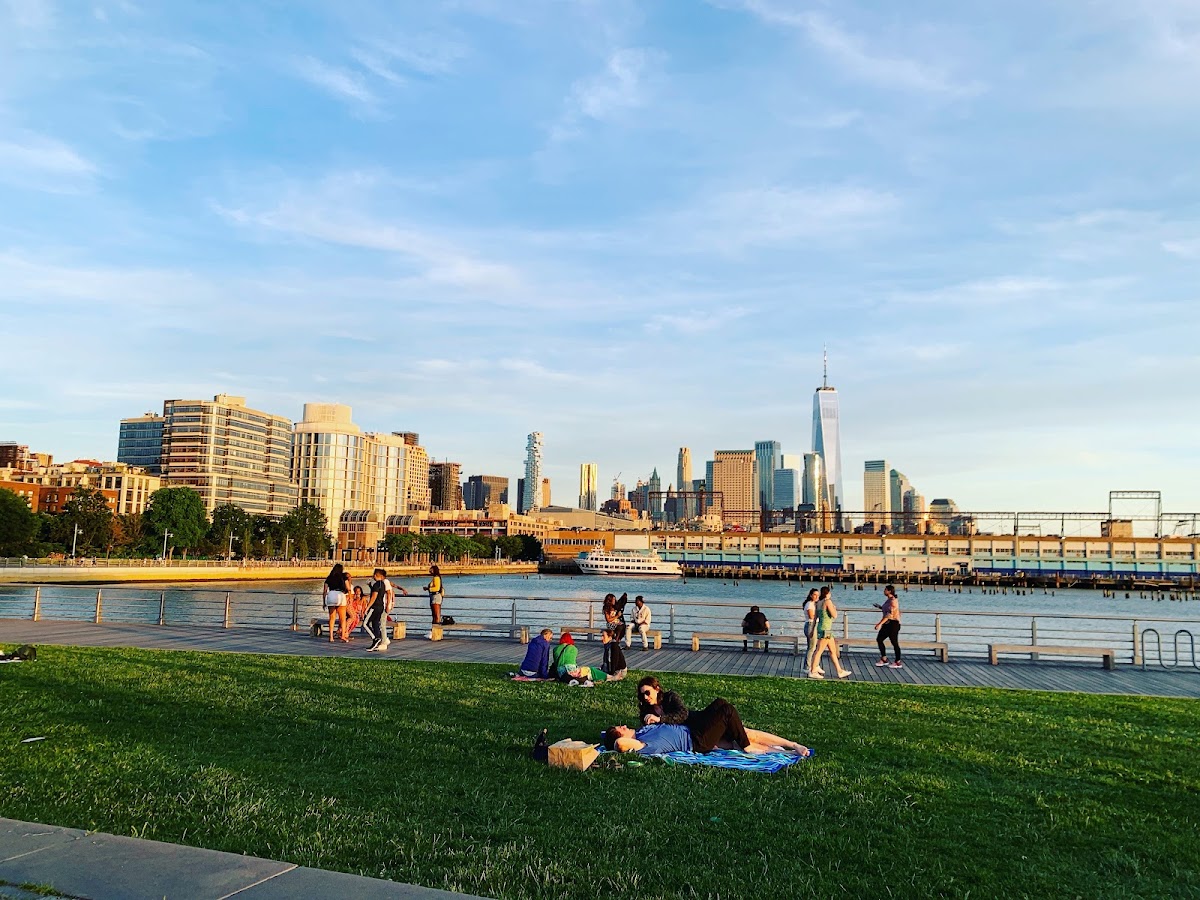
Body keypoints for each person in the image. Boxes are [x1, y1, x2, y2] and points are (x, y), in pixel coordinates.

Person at [602, 698, 809, 756]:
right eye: (620, 727)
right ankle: (747, 747)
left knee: (720, 705)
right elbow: (619, 744)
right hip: (698, 741)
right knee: (727, 711)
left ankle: (792, 745)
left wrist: (655, 718)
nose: (623, 725)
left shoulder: (642, 731)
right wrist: (615, 739)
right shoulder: (641, 745)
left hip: (695, 727)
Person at [808, 586, 851, 679]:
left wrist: (812, 630)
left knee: (833, 651)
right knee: (819, 650)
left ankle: (840, 671)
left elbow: (815, 618)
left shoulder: (818, 603)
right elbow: (834, 615)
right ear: (827, 593)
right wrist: (834, 608)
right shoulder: (827, 602)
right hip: (826, 630)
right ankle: (812, 671)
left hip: (822, 628)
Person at [322, 563, 352, 644]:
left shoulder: (329, 578)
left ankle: (331, 637)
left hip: (331, 595)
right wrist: (349, 598)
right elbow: (348, 588)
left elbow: (324, 591)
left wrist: (324, 602)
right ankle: (342, 636)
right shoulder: (343, 577)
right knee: (342, 618)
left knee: (332, 618)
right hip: (340, 595)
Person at [875, 584, 903, 669]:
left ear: (889, 591)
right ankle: (884, 659)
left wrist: (879, 624)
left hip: (893, 624)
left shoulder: (893, 601)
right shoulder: (889, 600)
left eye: (885, 590)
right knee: (879, 639)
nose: (884, 591)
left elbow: (889, 615)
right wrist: (880, 607)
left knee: (894, 642)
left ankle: (897, 662)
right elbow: (887, 610)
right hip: (888, 623)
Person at [802, 588, 823, 675]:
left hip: (815, 625)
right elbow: (811, 616)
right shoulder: (809, 604)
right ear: (811, 595)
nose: (816, 597)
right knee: (811, 648)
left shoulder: (814, 604)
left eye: (818, 595)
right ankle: (807, 667)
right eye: (815, 595)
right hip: (811, 625)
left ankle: (815, 665)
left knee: (815, 647)